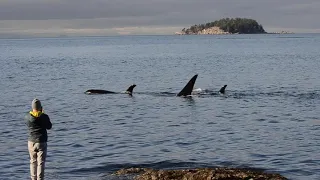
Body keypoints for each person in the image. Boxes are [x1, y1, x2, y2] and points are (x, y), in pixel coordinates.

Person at [25, 99, 52, 180]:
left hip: (31, 142)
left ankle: (33, 178)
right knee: (41, 163)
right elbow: (49, 126)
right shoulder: (44, 116)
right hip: (41, 141)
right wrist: (43, 114)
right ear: (40, 107)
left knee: (33, 161)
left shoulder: (27, 117)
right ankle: (40, 178)